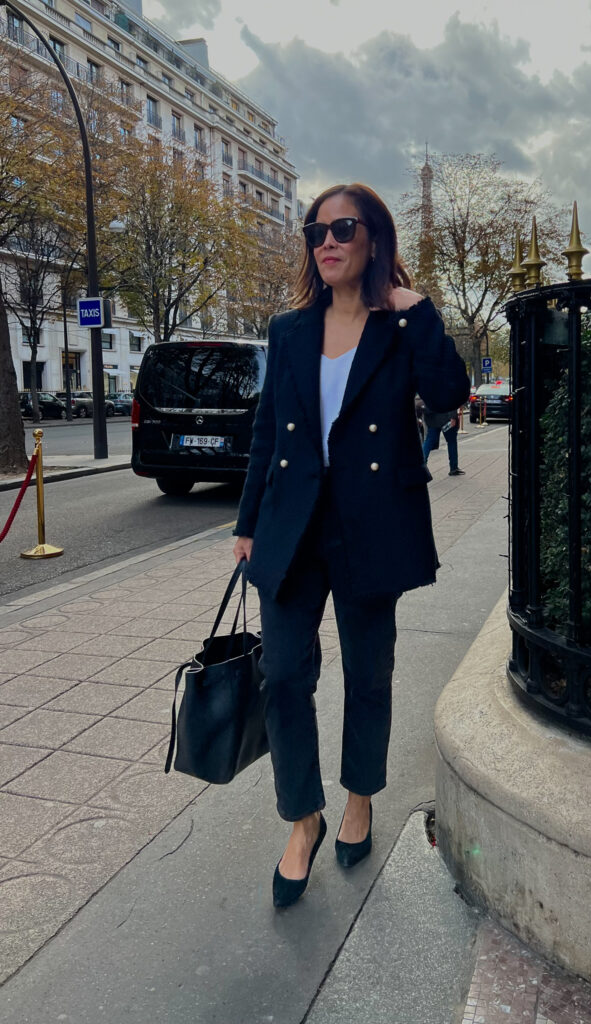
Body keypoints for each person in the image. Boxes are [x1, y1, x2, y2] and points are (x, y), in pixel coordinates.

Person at [232, 183, 470, 908]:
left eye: (343, 229)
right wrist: (246, 524)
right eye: (316, 231)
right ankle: (302, 817)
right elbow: (267, 433)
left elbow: (449, 395)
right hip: (292, 525)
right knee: (282, 674)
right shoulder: (289, 330)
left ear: (373, 239)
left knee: (368, 674)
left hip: (371, 524)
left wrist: (417, 310)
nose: (327, 242)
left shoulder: (399, 325)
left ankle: (360, 796)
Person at [421, 405, 464, 475]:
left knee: (429, 441)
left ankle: (421, 465)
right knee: (452, 442)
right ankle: (453, 467)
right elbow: (451, 401)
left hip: (432, 417)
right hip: (446, 417)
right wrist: (453, 417)